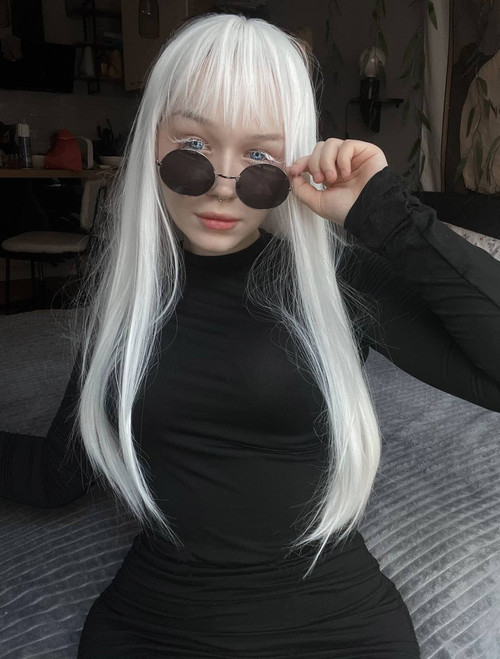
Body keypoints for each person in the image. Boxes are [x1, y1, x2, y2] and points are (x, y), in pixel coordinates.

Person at [1, 11, 499, 658]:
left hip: (337, 626)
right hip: (155, 625)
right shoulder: (127, 296)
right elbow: (58, 474)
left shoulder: (334, 284)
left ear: (293, 164)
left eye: (260, 155)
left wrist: (389, 215)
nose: (222, 187)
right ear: (153, 142)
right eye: (194, 144)